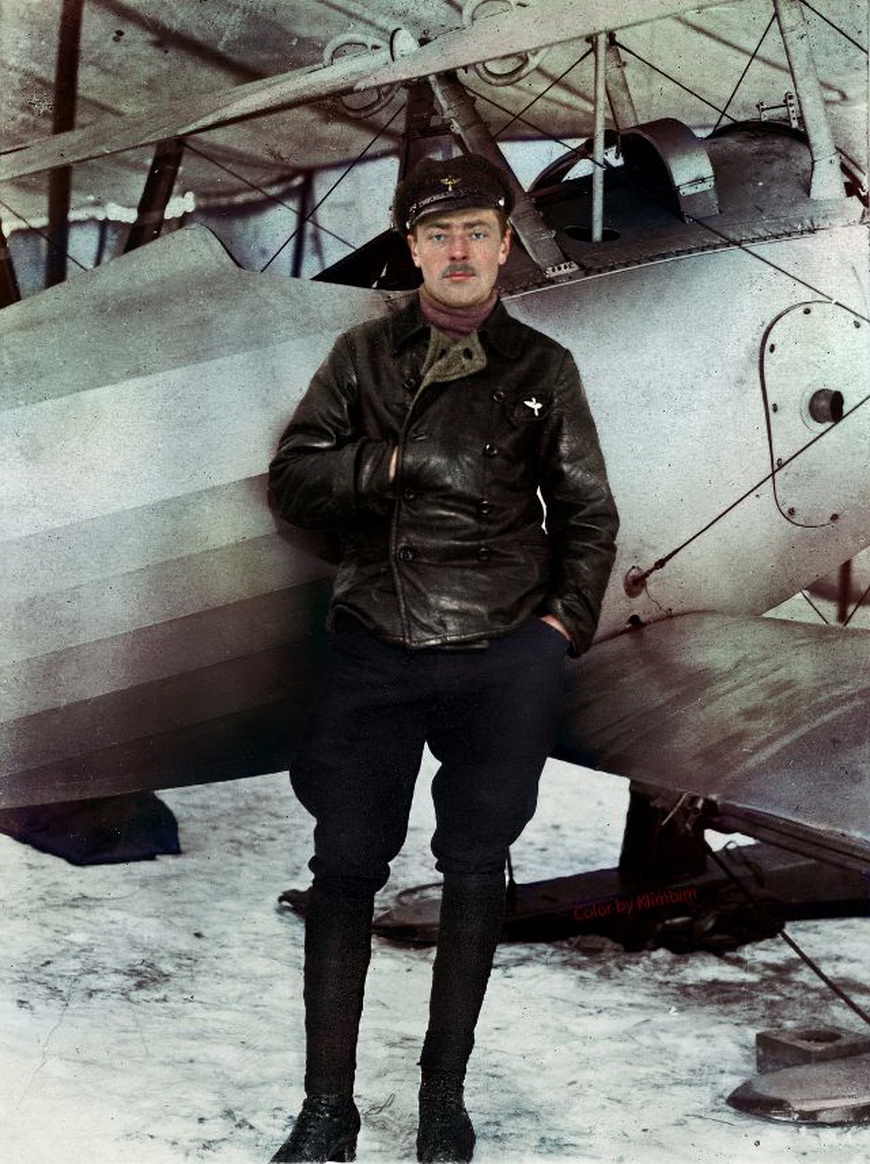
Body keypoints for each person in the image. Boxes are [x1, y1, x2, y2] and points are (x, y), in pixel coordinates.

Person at [267, 153, 618, 1163]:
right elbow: (294, 480)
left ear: (504, 247)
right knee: (344, 869)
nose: (458, 251)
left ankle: (442, 1101)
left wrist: (557, 634)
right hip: (376, 643)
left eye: (476, 233)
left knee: (474, 869)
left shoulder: (543, 367)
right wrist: (395, 461)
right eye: (437, 234)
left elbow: (589, 515)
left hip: (501, 655)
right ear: (412, 250)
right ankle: (327, 1111)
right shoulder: (361, 356)